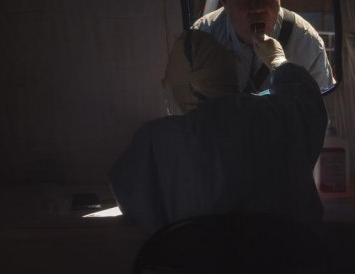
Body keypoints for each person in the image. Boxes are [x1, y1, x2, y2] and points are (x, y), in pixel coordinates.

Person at [108, 29, 327, 236]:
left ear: (186, 87)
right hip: (286, 258)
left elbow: (130, 200)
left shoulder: (156, 141)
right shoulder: (279, 116)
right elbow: (307, 97)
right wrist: (278, 61)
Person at [192, 0, 335, 93]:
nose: (257, 7)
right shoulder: (202, 37)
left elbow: (323, 107)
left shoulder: (305, 42)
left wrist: (279, 64)